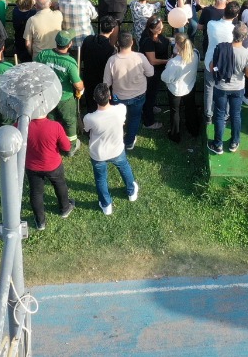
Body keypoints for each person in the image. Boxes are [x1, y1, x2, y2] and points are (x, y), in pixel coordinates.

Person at [84, 84, 138, 214]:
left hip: (98, 154)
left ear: (94, 98)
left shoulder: (89, 118)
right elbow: (123, 117)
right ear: (109, 96)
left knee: (100, 179)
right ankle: (131, 192)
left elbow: (86, 129)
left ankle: (106, 205)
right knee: (124, 168)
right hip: (117, 150)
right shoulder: (121, 109)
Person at [23, 106, 74, 230]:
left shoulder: (22, 126)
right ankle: (65, 209)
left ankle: (40, 222)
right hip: (53, 165)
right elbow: (66, 147)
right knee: (60, 185)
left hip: (32, 166)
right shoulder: (55, 126)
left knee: (36, 192)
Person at [103, 29, 154, 151]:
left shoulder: (112, 60)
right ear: (132, 43)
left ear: (117, 44)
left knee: (118, 119)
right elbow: (151, 73)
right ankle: (129, 142)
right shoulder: (140, 57)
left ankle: (116, 139)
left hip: (118, 96)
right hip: (138, 95)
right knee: (134, 118)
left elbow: (106, 83)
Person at [208, 24, 248, 155]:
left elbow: (212, 68)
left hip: (221, 87)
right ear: (245, 37)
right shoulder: (246, 54)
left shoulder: (221, 48)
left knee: (219, 115)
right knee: (236, 115)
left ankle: (218, 145)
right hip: (237, 88)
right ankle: (234, 142)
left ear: (233, 33)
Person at [38, 32, 83, 149]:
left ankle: (53, 143)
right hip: (65, 97)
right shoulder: (70, 63)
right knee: (69, 121)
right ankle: (71, 147)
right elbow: (78, 85)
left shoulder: (43, 54)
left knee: (51, 120)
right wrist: (82, 89)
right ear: (70, 44)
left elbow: (36, 69)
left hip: (48, 95)